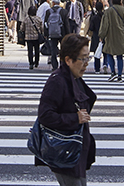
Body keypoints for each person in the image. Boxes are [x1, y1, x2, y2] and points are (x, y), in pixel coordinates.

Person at [37, 33, 98, 186]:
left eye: (87, 58)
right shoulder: (57, 81)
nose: (86, 63)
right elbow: (45, 115)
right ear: (68, 60)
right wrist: (75, 118)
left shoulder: (73, 77)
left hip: (74, 150)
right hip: (64, 151)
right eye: (82, 59)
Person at [99, 0, 124, 81]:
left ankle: (113, 72)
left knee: (109, 53)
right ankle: (119, 75)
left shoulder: (108, 11)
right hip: (121, 34)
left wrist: (101, 35)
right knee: (120, 55)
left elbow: (104, 25)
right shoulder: (123, 10)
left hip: (110, 34)